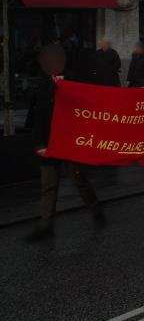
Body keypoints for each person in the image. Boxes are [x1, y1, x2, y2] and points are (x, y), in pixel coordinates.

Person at [24, 64, 107, 243]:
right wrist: (39, 144)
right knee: (48, 185)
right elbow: (37, 117)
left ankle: (96, 211)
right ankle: (46, 224)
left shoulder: (74, 80)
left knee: (79, 179)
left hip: (69, 143)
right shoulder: (43, 85)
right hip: (48, 143)